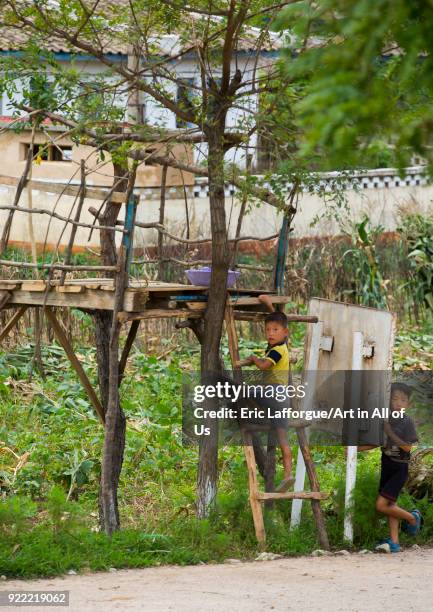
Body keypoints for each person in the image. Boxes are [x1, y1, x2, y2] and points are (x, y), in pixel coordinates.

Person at [357, 382, 422, 553]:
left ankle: (413, 518)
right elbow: (378, 442)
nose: (398, 403)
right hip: (387, 466)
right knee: (391, 503)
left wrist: (389, 432)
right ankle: (394, 542)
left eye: (403, 400)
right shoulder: (385, 420)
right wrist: (355, 449)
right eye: (394, 399)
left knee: (381, 505)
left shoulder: (406, 422)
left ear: (408, 404)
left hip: (399, 469)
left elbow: (408, 447)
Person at [242, 294, 294, 492]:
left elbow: (263, 366)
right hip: (283, 398)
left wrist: (254, 358)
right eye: (267, 330)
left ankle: (244, 415)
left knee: (243, 392)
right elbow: (277, 319)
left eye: (275, 330)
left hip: (273, 393)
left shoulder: (276, 351)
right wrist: (268, 305)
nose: (270, 333)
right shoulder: (282, 345)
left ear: (285, 333)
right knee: (283, 438)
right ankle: (288, 476)